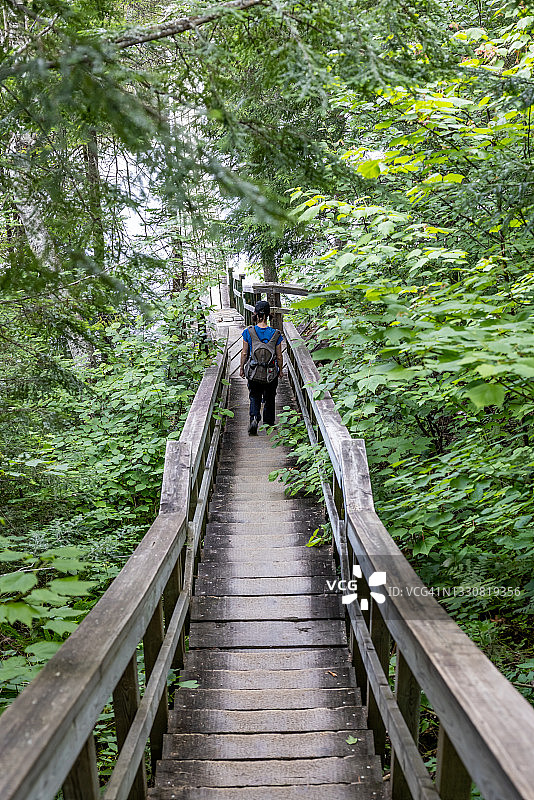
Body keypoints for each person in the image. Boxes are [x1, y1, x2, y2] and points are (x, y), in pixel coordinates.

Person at [240, 300, 283, 435]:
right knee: (270, 397)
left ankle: (254, 418)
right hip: (270, 372)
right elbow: (279, 356)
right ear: (269, 315)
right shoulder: (276, 333)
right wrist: (280, 370)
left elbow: (244, 353)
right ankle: (269, 424)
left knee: (254, 396)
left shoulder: (248, 332)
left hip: (254, 371)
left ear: (255, 314)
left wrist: (241, 368)